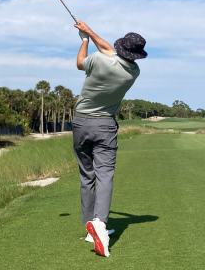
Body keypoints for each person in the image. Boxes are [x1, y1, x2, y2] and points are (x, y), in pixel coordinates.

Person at [72, 20, 147, 258]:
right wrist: (91, 32)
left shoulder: (97, 59)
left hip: (80, 122)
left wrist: (84, 38)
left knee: (87, 176)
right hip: (105, 124)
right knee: (105, 175)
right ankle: (100, 224)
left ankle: (90, 227)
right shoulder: (133, 72)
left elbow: (79, 64)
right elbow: (110, 52)